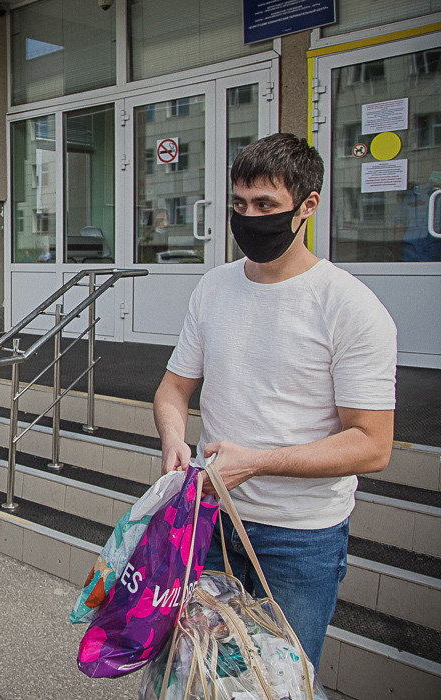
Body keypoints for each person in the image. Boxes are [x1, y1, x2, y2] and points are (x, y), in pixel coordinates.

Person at [153, 133, 397, 667]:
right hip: (207, 519)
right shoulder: (214, 288)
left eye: (266, 205)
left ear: (308, 205)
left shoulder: (350, 306)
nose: (249, 218)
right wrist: (174, 439)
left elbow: (373, 446)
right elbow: (174, 387)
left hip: (298, 542)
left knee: (277, 680)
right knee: (199, 672)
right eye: (239, 204)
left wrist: (258, 462)